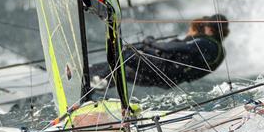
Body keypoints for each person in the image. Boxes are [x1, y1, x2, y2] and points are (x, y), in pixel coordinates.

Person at [90, 14, 229, 89]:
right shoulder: (218, 51)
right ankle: (92, 76)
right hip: (169, 81)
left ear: (210, 29)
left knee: (127, 55)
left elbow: (171, 49)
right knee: (125, 72)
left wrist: (150, 42)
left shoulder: (207, 43)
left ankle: (100, 78)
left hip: (165, 71)